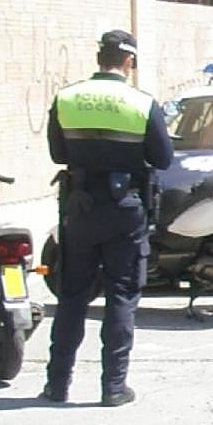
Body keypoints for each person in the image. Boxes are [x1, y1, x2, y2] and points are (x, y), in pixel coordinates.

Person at [42, 30, 174, 406]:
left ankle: (57, 385)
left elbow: (56, 153)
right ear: (129, 61)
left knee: (72, 296)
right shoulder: (141, 103)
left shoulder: (66, 98)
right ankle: (113, 387)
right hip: (125, 209)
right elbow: (163, 159)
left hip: (79, 209)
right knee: (121, 295)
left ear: (100, 58)